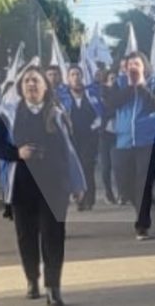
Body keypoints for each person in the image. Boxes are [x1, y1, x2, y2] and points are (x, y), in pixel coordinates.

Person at [0, 67, 85, 306]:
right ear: (21, 88)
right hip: (22, 186)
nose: (31, 85)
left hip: (54, 185)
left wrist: (77, 183)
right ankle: (32, 278)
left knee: (54, 236)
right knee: (26, 236)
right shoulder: (9, 113)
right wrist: (17, 153)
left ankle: (54, 287)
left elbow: (70, 150)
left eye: (36, 81)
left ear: (45, 86)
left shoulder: (57, 112)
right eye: (27, 82)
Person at [103, 52, 155, 240]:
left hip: (147, 141)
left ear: (144, 66)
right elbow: (110, 104)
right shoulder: (120, 84)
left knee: (144, 182)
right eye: (129, 64)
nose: (132, 67)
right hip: (123, 141)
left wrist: (141, 87)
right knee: (125, 185)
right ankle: (138, 206)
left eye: (137, 64)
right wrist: (129, 88)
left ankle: (142, 225)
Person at [58, 66, 104, 211]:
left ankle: (89, 199)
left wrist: (94, 126)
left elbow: (101, 113)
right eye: (72, 75)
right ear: (68, 79)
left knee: (87, 167)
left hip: (89, 138)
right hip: (71, 139)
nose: (76, 78)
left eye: (78, 74)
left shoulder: (91, 95)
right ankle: (79, 196)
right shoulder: (63, 98)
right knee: (74, 168)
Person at [95, 69, 119, 206]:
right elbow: (106, 109)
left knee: (118, 164)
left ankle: (121, 192)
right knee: (106, 165)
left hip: (118, 132)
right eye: (111, 78)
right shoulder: (101, 93)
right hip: (105, 134)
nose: (114, 80)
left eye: (115, 77)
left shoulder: (120, 92)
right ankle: (108, 192)